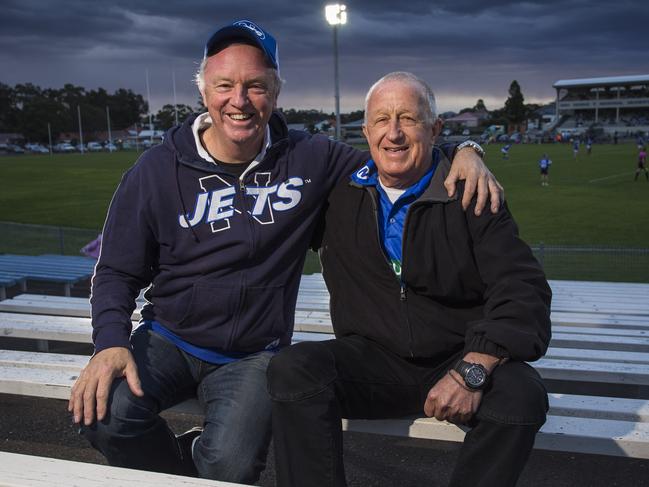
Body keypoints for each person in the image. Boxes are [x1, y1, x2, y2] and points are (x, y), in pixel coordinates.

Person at [67, 21, 501, 484]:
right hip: (168, 337)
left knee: (230, 466)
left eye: (255, 86)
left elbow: (395, 151)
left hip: (254, 353)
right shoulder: (155, 169)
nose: (239, 100)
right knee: (103, 416)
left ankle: (201, 464)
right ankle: (183, 465)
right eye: (225, 86)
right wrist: (110, 341)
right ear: (204, 92)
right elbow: (115, 269)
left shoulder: (311, 157)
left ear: (275, 94)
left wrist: (464, 149)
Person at [267, 72, 551, 487]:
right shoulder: (338, 196)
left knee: (522, 396)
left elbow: (524, 291)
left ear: (434, 129)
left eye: (408, 119)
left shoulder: (469, 192)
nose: (394, 133)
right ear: (365, 132)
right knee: (293, 369)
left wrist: (474, 369)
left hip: (459, 354)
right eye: (381, 120)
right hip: (372, 362)